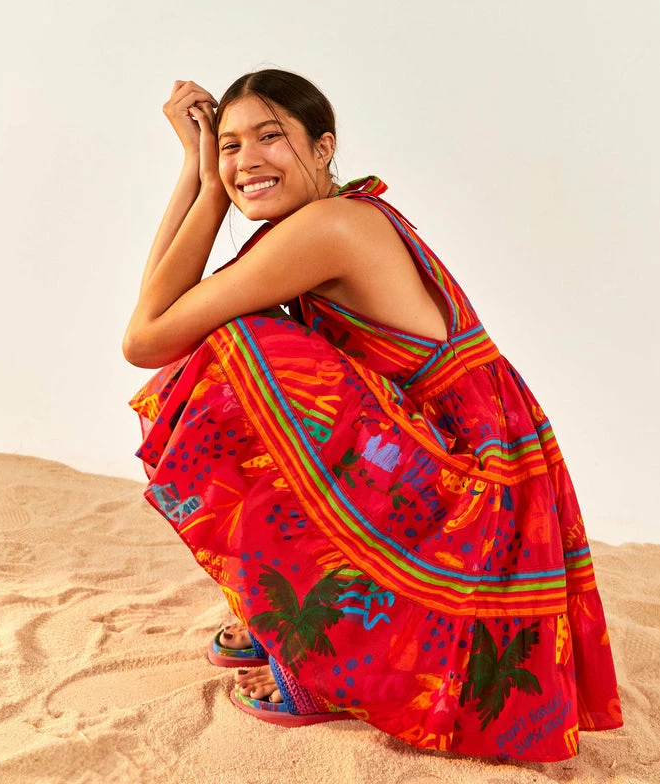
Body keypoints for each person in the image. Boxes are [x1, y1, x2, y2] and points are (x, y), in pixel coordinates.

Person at [124, 69, 623, 761]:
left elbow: (145, 338)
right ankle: (289, 620)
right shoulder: (326, 216)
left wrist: (207, 189)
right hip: (447, 463)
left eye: (271, 137)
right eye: (230, 145)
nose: (247, 162)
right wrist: (200, 174)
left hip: (475, 493)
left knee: (237, 349)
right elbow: (156, 319)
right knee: (238, 343)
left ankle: (317, 664)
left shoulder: (329, 226)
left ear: (323, 147)